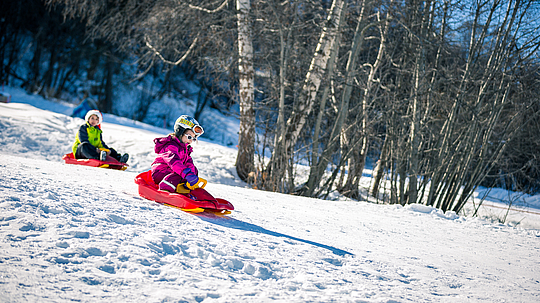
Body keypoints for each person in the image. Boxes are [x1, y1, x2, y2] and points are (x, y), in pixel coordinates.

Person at [151, 115, 205, 193]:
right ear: (180, 132)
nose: (190, 141)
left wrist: (192, 176)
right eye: (189, 137)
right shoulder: (170, 146)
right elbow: (174, 162)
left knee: (193, 170)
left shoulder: (185, 149)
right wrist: (186, 174)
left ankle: (185, 187)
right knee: (179, 174)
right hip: (160, 173)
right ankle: (165, 188)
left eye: (193, 139)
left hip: (172, 173)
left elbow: (189, 163)